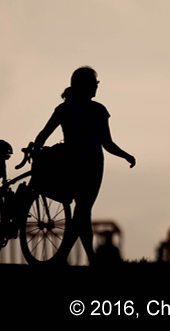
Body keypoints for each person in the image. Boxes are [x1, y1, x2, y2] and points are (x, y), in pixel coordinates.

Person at [33, 66, 136, 265]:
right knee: (82, 210)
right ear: (85, 85)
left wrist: (125, 155)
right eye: (94, 83)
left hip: (89, 165)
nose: (97, 87)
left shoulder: (83, 109)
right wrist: (125, 155)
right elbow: (107, 143)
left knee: (83, 211)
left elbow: (42, 136)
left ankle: (88, 257)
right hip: (83, 166)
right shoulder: (89, 110)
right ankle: (68, 257)